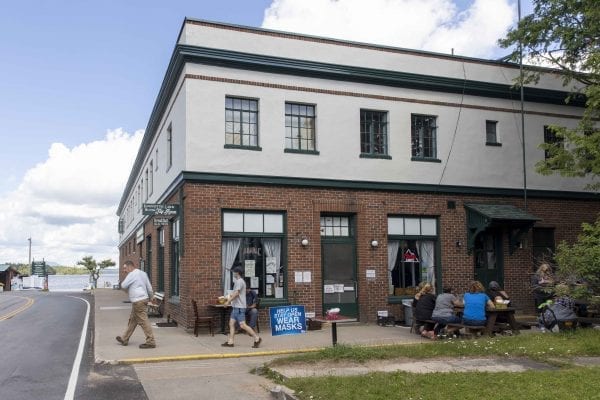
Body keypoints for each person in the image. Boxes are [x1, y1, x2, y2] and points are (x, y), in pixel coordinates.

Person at [116, 260, 156, 349]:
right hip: (143, 299)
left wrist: (128, 285)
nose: (124, 270)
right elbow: (149, 287)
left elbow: (123, 285)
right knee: (132, 321)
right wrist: (152, 297)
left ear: (130, 266)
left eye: (125, 268)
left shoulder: (132, 274)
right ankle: (124, 339)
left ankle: (151, 341)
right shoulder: (143, 274)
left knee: (143, 321)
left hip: (138, 301)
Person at [222, 266, 262, 348]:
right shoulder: (238, 281)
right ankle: (230, 342)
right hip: (236, 307)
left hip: (239, 307)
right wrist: (229, 298)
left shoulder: (239, 281)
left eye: (234, 272)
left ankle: (257, 338)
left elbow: (236, 293)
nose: (233, 273)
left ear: (237, 273)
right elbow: (236, 293)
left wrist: (228, 301)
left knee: (242, 325)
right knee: (231, 323)